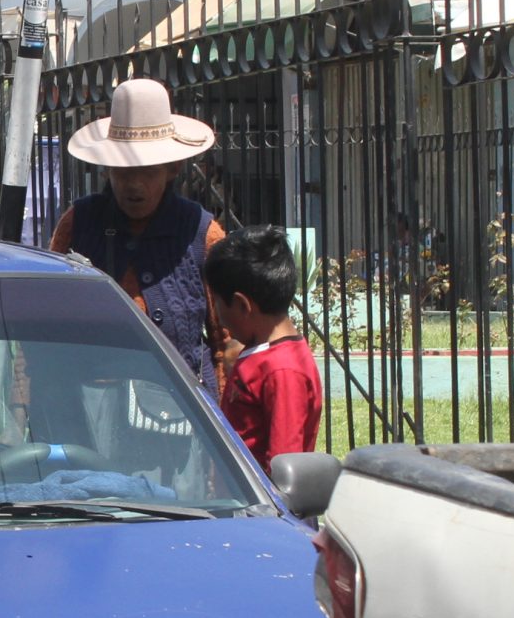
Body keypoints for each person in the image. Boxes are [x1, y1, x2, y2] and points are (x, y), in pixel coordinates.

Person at [46, 77, 227, 393]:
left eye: (148, 171)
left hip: (181, 414)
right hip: (93, 408)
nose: (135, 185)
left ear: (173, 169)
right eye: (124, 171)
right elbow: (46, 319)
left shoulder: (201, 232)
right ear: (106, 169)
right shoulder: (79, 224)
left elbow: (224, 340)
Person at [204, 224, 323, 465]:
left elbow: (283, 464)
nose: (215, 311)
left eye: (216, 301)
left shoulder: (283, 370)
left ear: (241, 305)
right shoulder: (262, 353)